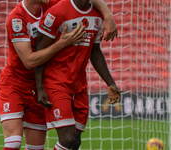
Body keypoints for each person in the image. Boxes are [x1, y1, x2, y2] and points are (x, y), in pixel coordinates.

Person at [0, 0, 118, 150]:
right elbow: (29, 61)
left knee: (38, 147)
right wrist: (62, 43)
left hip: (38, 82)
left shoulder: (50, 5)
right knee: (14, 142)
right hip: (15, 83)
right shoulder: (16, 18)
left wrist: (108, 16)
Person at [35, 0, 122, 150]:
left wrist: (110, 83)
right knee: (67, 139)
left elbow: (95, 52)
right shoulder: (57, 12)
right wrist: (40, 87)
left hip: (79, 85)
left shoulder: (96, 15)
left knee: (75, 142)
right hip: (56, 82)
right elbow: (39, 50)